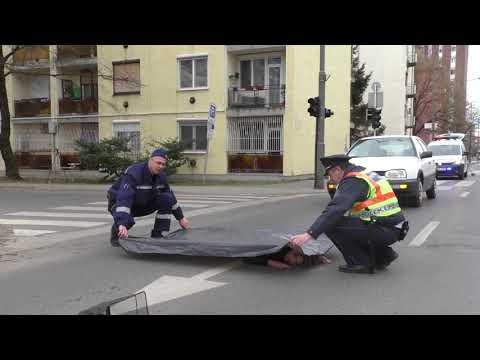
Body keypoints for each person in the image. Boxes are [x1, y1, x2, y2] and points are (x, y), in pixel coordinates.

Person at [289, 154, 408, 274]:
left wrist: (310, 234)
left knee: (333, 225)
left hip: (386, 228)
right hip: (392, 226)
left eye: (330, 175)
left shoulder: (353, 181)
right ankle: (383, 255)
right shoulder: (363, 174)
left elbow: (336, 209)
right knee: (348, 224)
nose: (330, 179)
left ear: (337, 170)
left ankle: (360, 263)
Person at [107, 148, 190, 247]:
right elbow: (124, 198)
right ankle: (116, 232)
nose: (160, 166)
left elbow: (170, 196)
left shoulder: (161, 176)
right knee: (126, 221)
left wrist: (181, 218)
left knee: (167, 199)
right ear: (150, 160)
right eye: (158, 163)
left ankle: (158, 235)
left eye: (163, 164)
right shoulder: (134, 173)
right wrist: (122, 223)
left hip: (142, 201)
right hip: (119, 202)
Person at [243, 244, 331, 270]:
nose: (292, 263)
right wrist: (271, 263)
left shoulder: (283, 259)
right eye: (295, 258)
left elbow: (247, 257)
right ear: (294, 251)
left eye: (296, 263)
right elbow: (247, 255)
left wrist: (319, 257)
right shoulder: (281, 247)